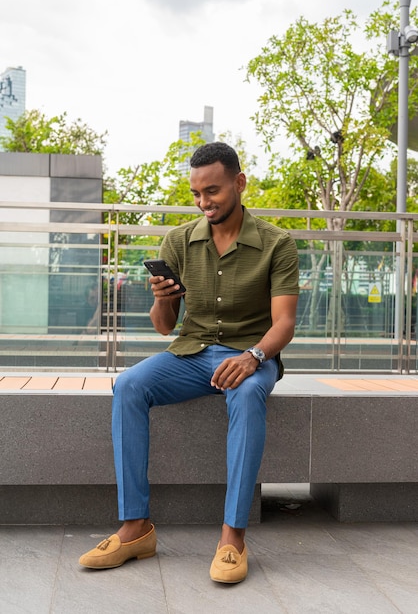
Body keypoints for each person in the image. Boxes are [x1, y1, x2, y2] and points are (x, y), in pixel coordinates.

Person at [79, 142, 299, 583]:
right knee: (129, 385)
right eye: (197, 194)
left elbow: (285, 323)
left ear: (239, 183)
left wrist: (254, 356)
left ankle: (233, 535)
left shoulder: (277, 243)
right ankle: (136, 528)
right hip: (191, 353)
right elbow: (165, 327)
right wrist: (162, 300)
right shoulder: (179, 240)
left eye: (213, 191)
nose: (204, 203)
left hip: (250, 355)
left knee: (250, 393)